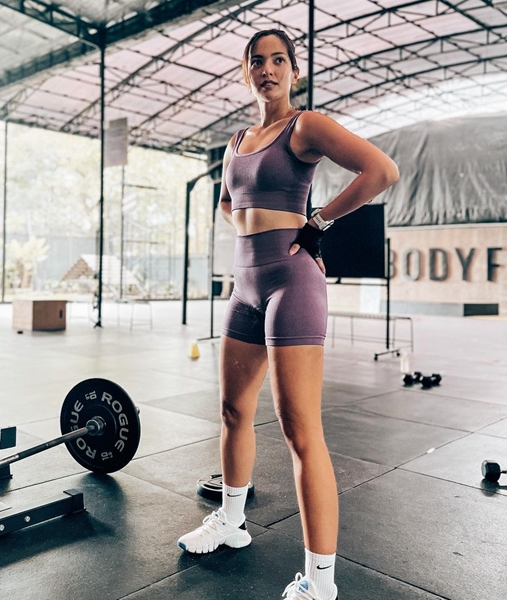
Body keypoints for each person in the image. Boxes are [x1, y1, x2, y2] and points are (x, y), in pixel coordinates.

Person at [175, 29, 399, 600]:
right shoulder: (237, 138)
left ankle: (319, 583)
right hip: (244, 285)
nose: (268, 69)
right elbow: (229, 202)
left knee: (302, 432)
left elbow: (381, 171)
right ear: (246, 73)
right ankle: (230, 522)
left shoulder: (306, 126)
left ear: (293, 73)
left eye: (279, 60)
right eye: (258, 61)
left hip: (291, 281)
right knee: (231, 410)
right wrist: (245, 233)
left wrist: (317, 222)